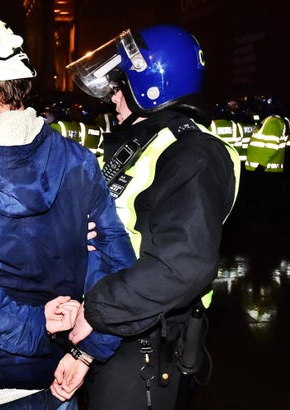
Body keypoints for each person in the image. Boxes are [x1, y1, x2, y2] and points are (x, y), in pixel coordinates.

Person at [0, 14, 136, 409]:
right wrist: (90, 349)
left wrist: (36, 325)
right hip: (56, 373)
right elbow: (117, 262)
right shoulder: (79, 161)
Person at [63, 25, 241, 409]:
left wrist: (96, 311)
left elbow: (182, 265)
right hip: (112, 331)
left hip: (146, 343)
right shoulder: (142, 144)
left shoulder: (192, 154)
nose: (113, 95)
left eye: (121, 84)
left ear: (152, 88)